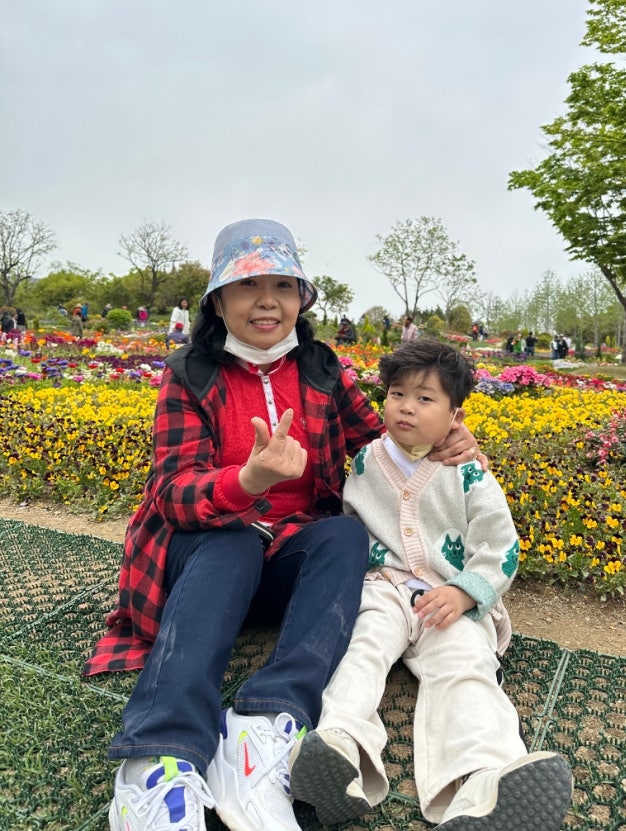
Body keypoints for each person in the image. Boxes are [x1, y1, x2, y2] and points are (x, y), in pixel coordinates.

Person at [84, 218, 483, 831]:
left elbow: (381, 445)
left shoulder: (321, 369)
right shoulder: (191, 373)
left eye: (282, 285)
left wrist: (442, 438)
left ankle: (266, 729)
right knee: (234, 541)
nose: (267, 301)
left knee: (343, 535)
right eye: (247, 285)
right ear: (218, 302)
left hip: (282, 565)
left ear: (301, 297)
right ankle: (158, 759)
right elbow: (171, 493)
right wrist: (246, 482)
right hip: (203, 567)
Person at [289, 338, 573, 830]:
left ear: (455, 415)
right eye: (397, 394)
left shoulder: (468, 473)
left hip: (448, 596)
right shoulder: (365, 463)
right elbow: (351, 526)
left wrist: (466, 591)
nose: (406, 407)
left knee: (465, 666)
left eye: (425, 398)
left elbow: (500, 546)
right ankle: (340, 749)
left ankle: (485, 781)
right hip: (383, 587)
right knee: (361, 650)